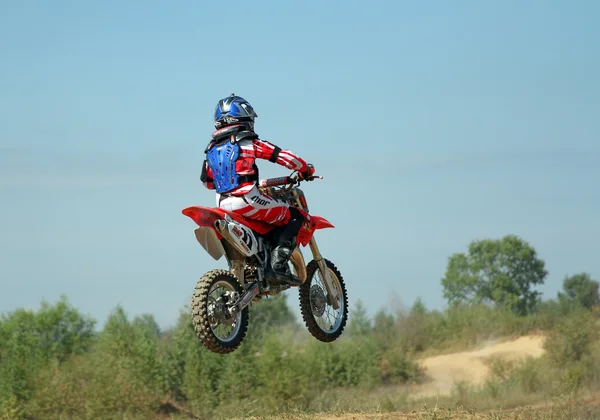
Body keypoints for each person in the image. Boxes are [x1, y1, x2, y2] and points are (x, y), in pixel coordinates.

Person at [200, 94, 315, 285]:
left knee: (261, 226)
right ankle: (276, 267)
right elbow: (283, 157)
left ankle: (252, 276)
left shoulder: (211, 149)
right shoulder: (248, 142)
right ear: (244, 117)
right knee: (294, 216)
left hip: (221, 203)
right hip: (246, 200)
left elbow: (208, 182)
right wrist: (305, 168)